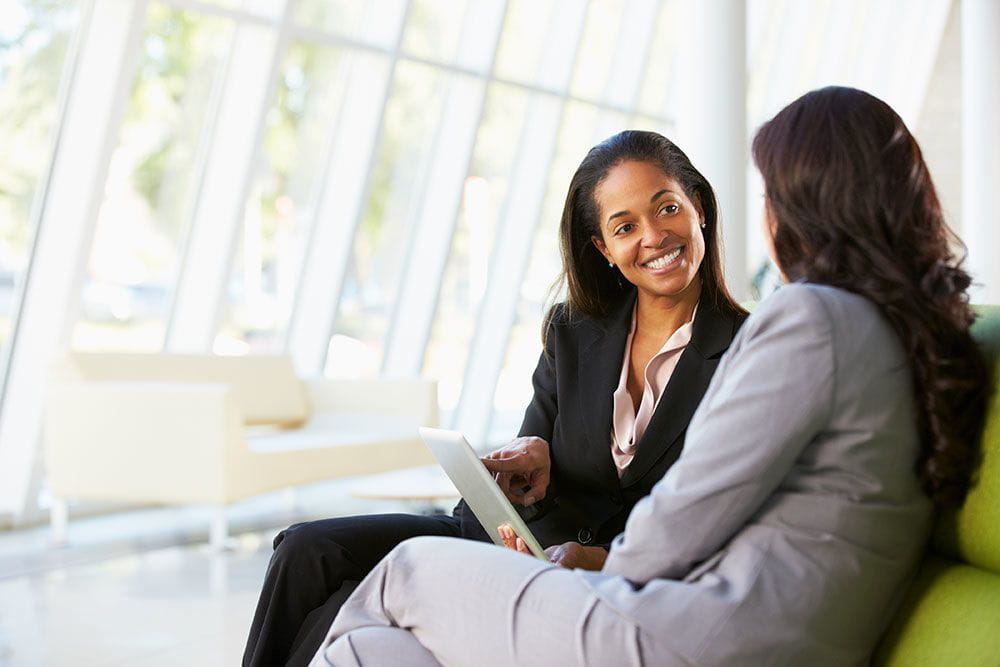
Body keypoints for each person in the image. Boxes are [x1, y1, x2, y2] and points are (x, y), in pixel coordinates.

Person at [308, 86, 990, 666]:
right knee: (380, 651)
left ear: (809, 203)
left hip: (694, 637)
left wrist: (594, 576)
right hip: (773, 637)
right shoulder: (918, 332)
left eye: (772, 192)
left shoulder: (812, 319)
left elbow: (691, 505)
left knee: (404, 572)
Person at [242, 130, 747, 666]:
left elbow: (717, 521)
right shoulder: (573, 332)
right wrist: (529, 463)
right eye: (625, 226)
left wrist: (598, 560)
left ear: (698, 207)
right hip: (514, 543)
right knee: (306, 551)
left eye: (667, 207)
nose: (653, 236)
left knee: (347, 611)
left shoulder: (751, 353)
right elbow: (533, 463)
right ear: (603, 248)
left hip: (609, 585)